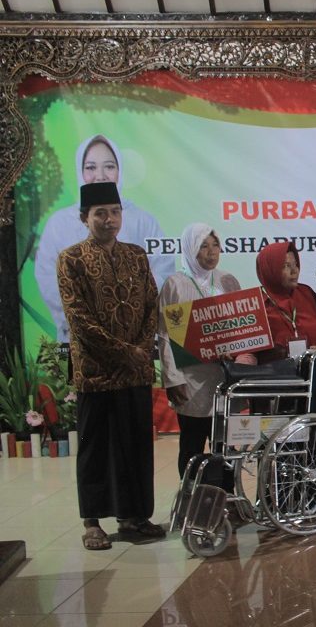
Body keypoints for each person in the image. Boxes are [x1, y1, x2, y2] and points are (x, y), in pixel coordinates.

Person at [57, 181, 164, 550]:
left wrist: (141, 347)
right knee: (95, 447)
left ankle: (134, 516)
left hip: (135, 370)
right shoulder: (70, 259)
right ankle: (92, 521)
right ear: (84, 217)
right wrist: (123, 351)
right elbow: (79, 317)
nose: (109, 219)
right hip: (96, 371)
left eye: (114, 212)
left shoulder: (136, 255)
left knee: (135, 444)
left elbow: (152, 304)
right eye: (100, 213)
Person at [37, 135, 173, 341]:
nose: (100, 175)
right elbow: (50, 281)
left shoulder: (140, 234)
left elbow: (161, 275)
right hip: (88, 347)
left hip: (135, 344)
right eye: (90, 167)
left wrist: (134, 328)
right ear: (85, 218)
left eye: (109, 166)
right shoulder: (66, 244)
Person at [158, 223, 241, 484]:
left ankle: (227, 501)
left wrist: (237, 352)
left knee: (227, 448)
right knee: (192, 447)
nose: (211, 252)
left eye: (215, 245)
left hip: (224, 379)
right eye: (203, 246)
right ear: (190, 249)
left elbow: (241, 328)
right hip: (191, 381)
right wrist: (172, 380)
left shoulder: (228, 281)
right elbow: (164, 336)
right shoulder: (176, 285)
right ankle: (192, 505)